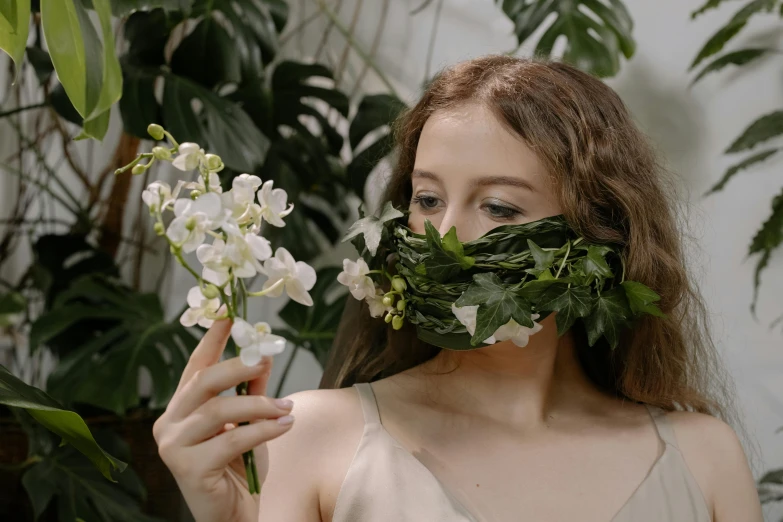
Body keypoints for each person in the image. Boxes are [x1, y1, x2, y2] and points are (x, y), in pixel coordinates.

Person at [152, 56, 763, 522]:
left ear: (598, 236)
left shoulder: (702, 459)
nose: (446, 238)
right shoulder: (312, 438)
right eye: (427, 199)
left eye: (498, 207)